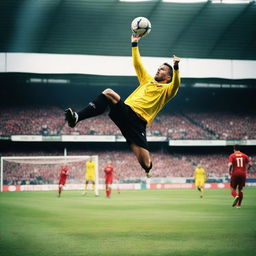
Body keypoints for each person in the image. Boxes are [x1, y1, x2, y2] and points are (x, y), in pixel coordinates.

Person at [65, 34, 181, 178]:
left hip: (138, 124)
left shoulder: (167, 90)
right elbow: (138, 64)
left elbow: (176, 85)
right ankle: (76, 118)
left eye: (162, 69)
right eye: (159, 68)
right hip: (126, 111)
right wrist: (134, 44)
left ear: (168, 77)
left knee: (145, 162)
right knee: (108, 93)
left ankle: (147, 169)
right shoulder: (147, 80)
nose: (158, 70)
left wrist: (176, 67)